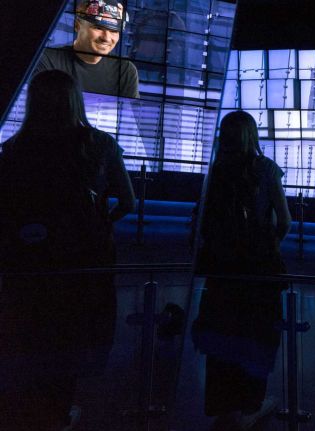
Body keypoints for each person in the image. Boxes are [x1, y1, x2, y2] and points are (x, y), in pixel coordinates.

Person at [0, 69, 135, 430]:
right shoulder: (100, 145)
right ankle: (58, 414)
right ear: (75, 99)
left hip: (27, 264)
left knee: (30, 337)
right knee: (71, 338)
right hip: (83, 263)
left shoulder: (14, 148)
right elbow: (127, 201)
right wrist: (99, 224)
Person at [192, 110, 291, 430]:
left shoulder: (216, 171)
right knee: (256, 336)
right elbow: (285, 220)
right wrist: (267, 245)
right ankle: (250, 404)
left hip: (221, 270)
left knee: (222, 334)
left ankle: (224, 404)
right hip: (259, 271)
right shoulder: (266, 169)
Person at [34, 0, 140, 98]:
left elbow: (129, 115)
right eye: (98, 28)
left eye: (114, 31)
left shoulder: (125, 70)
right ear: (77, 25)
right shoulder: (46, 59)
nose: (106, 38)